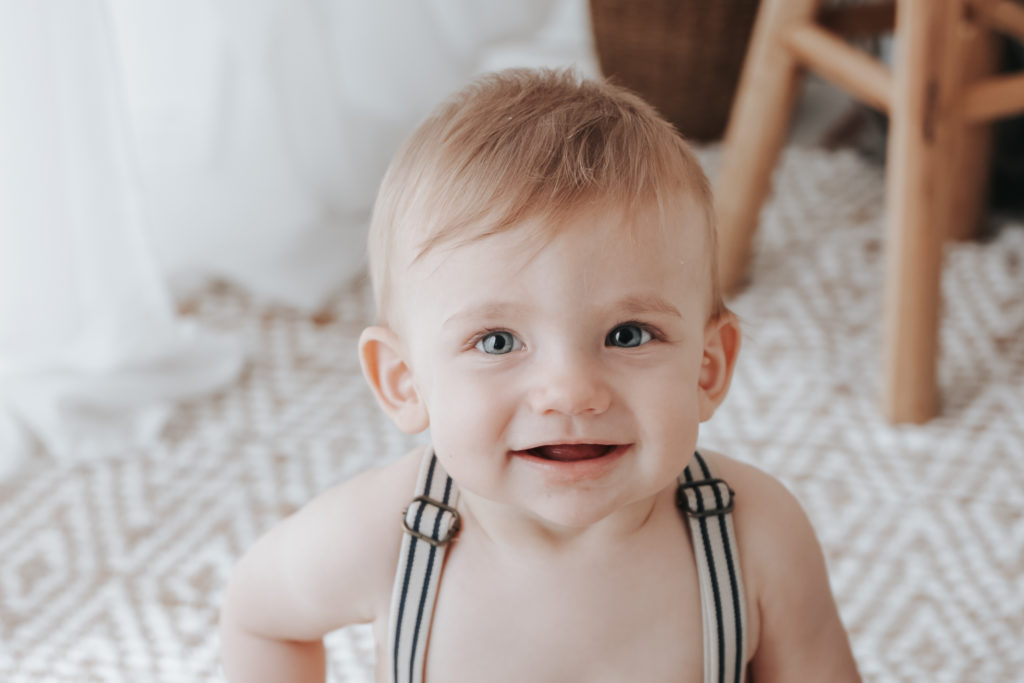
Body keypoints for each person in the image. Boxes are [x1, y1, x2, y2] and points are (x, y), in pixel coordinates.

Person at [219, 67, 860, 683]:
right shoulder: (384, 535)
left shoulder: (754, 537)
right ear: (403, 381)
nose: (571, 392)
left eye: (628, 335)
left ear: (708, 368)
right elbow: (260, 617)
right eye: (498, 342)